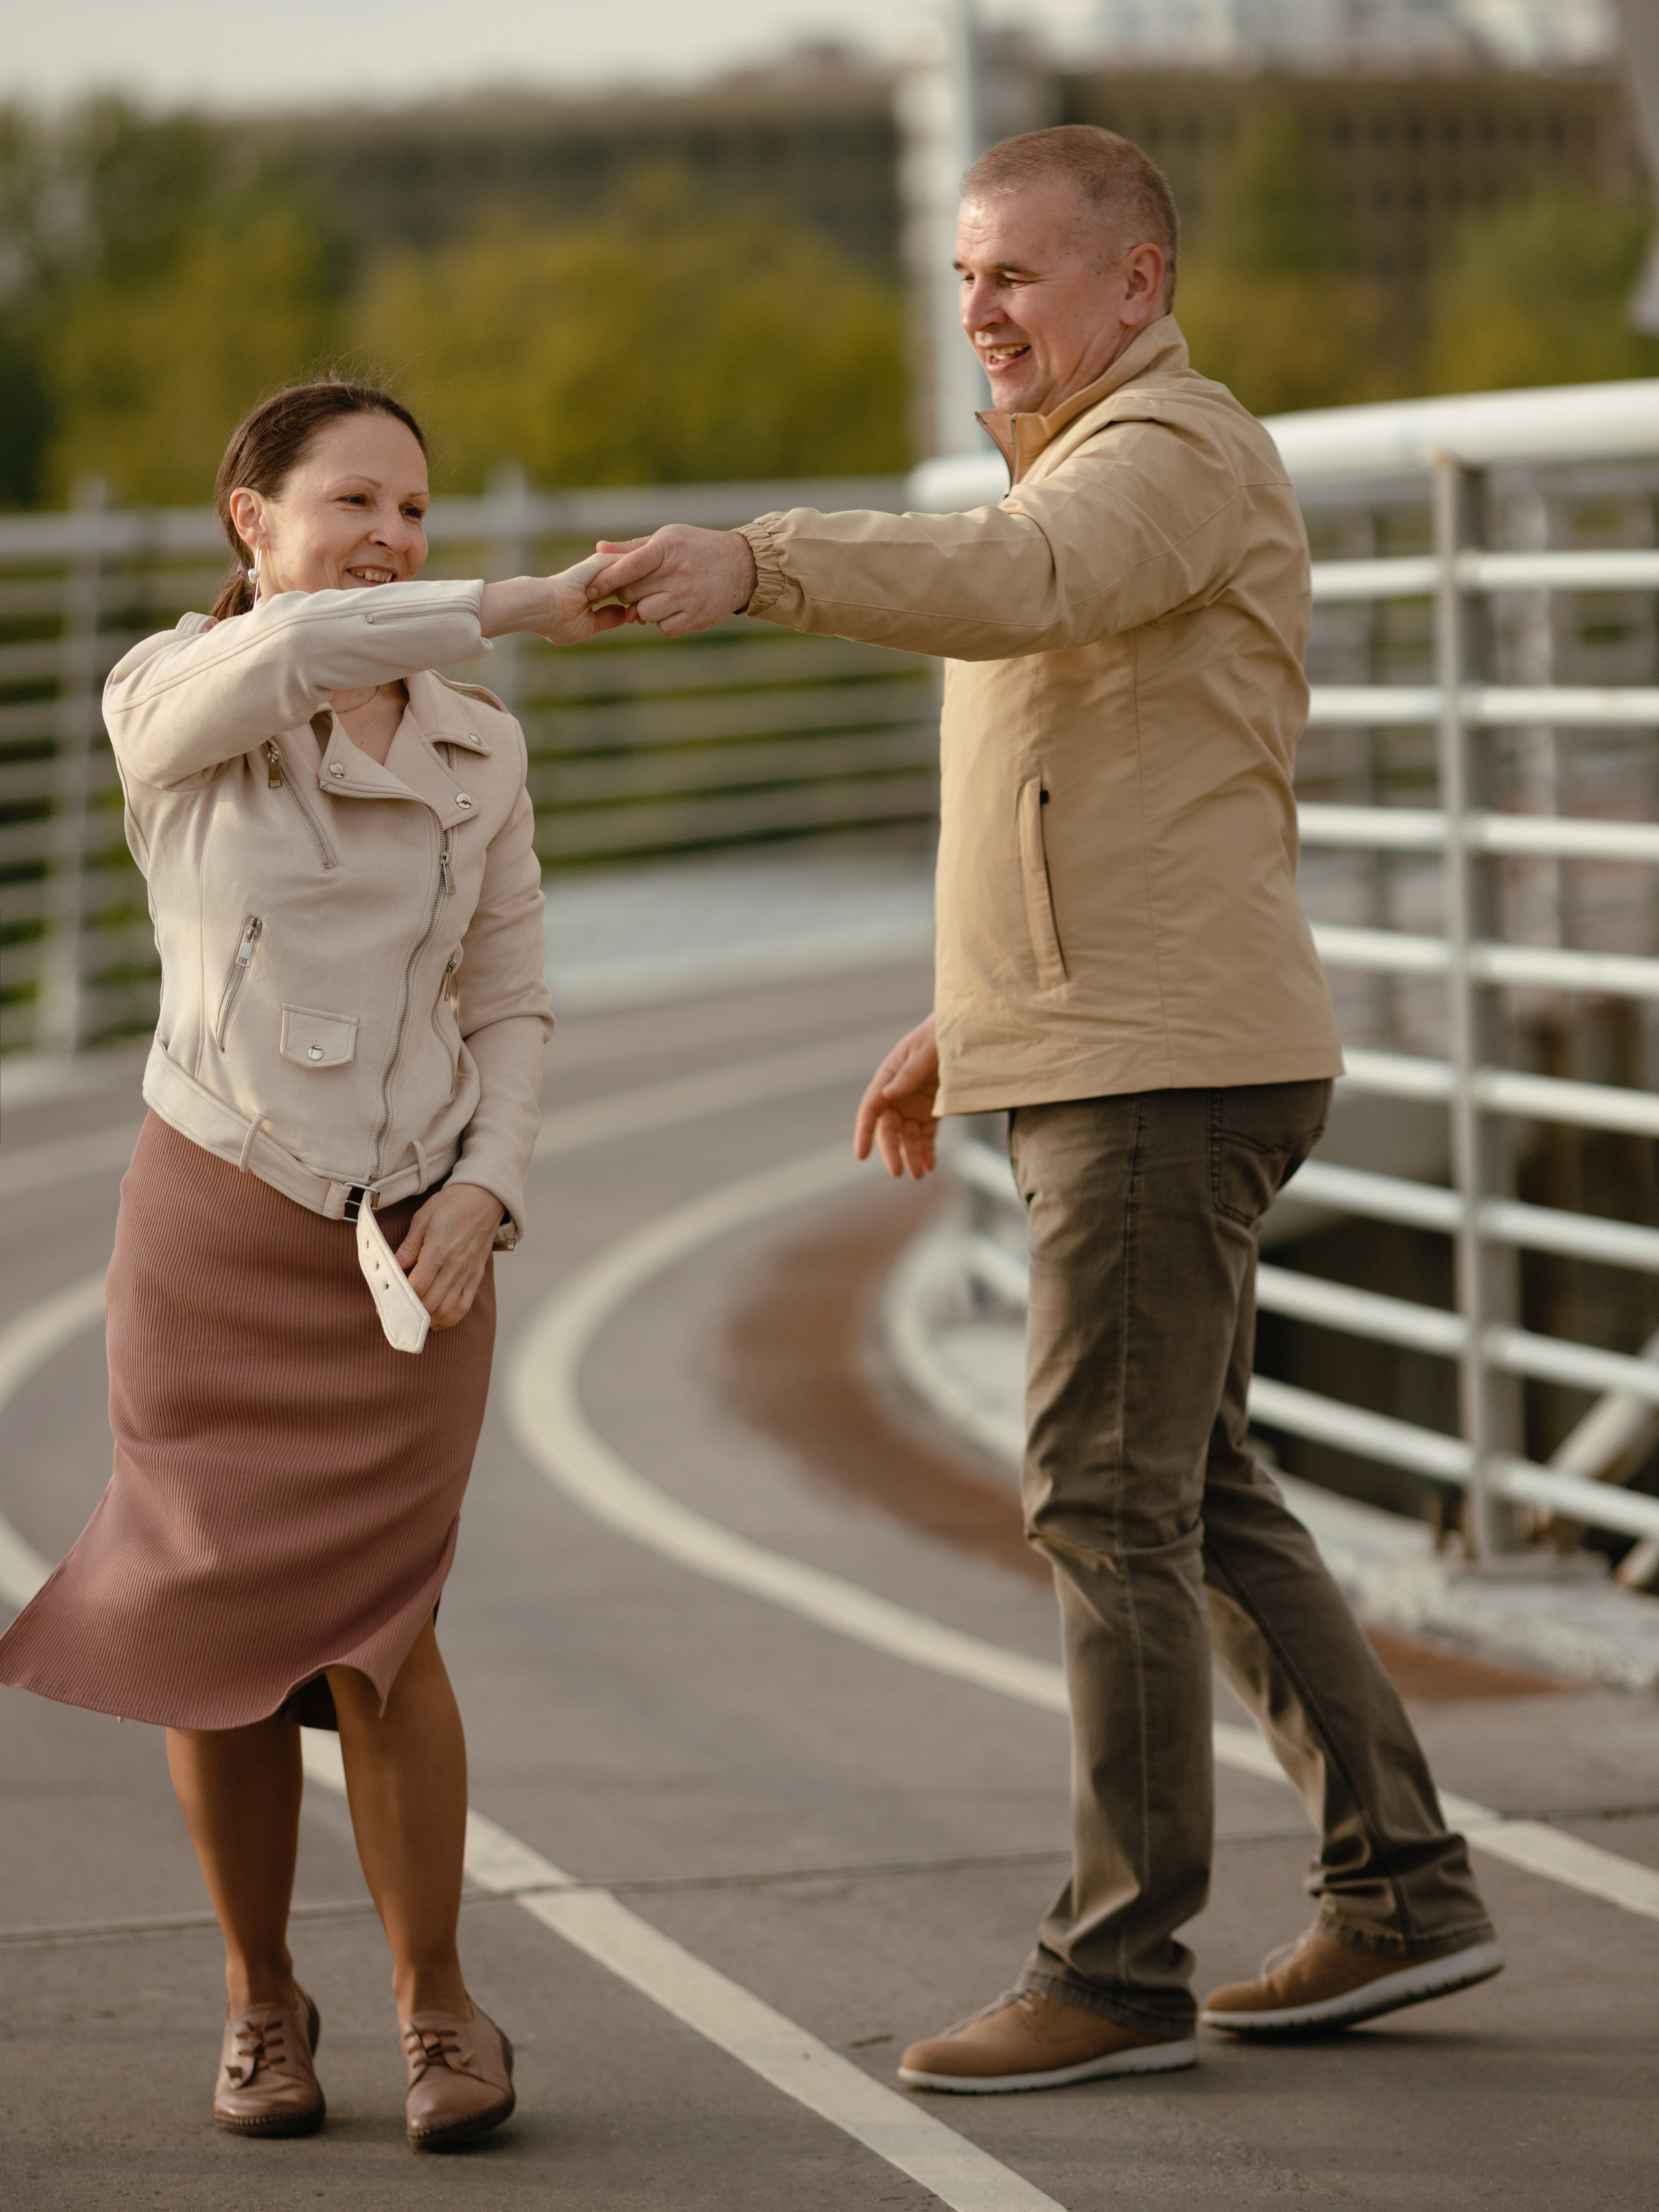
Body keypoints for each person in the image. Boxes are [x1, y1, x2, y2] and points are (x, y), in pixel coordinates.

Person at [585, 125, 1501, 2094]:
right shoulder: (1092, 468)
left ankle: (1117, 1967)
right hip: (1128, 1041)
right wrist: (963, 1017)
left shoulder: (1161, 460)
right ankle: (1404, 1890)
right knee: (1194, 1487)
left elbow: (1022, 587)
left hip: (1165, 1071)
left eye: (1015, 274)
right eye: (965, 279)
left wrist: (760, 560)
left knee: (1102, 1499)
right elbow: (1092, 788)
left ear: (1137, 286)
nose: (981, 311)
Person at [0, 378, 627, 2147]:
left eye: (418, 513)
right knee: (210, 1632)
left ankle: (440, 2010)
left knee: (379, 1638)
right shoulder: (172, 693)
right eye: (354, 501)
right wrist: (519, 599)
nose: (394, 537)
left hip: (413, 1235)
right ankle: (261, 2005)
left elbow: (509, 999)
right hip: (212, 1223)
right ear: (249, 519)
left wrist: (485, 1193)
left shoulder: (476, 746)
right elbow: (291, 656)